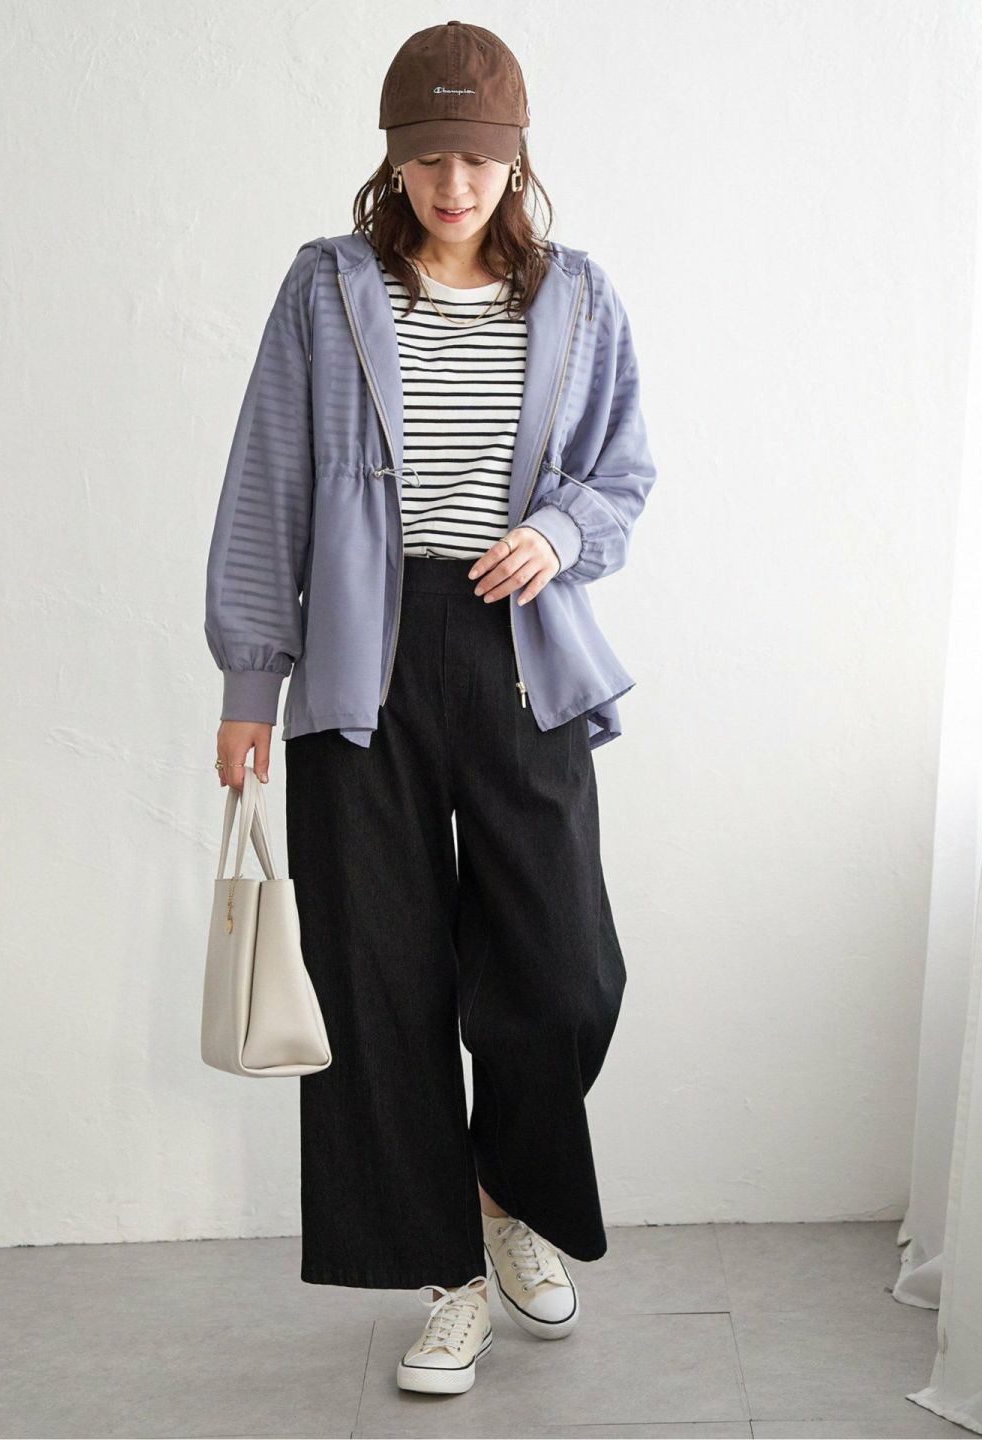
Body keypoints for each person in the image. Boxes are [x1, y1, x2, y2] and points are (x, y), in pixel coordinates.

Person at [205, 20, 658, 1397]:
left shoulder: (575, 296)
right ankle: (449, 1279)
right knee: (377, 979)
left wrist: (559, 534)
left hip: (520, 656)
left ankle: (503, 1192)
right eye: (428, 157)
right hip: (365, 666)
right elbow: (268, 482)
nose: (453, 184)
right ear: (392, 159)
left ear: (515, 160)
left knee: (567, 970)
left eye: (477, 157)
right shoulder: (329, 288)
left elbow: (622, 475)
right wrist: (250, 679)